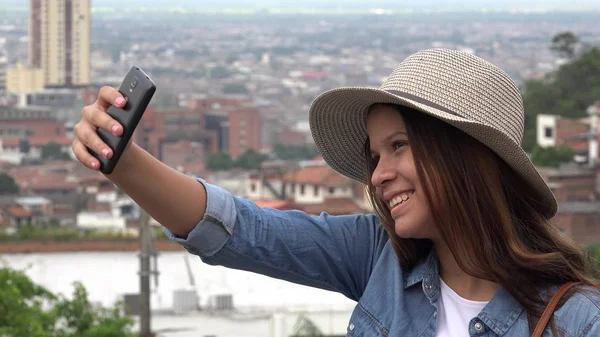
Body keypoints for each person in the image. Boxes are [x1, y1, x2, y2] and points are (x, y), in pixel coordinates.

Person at [73, 48, 600, 336]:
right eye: (375, 156)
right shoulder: (380, 257)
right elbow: (242, 231)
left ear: (465, 156)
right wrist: (121, 161)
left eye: (398, 146)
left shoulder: (577, 320)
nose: (378, 175)